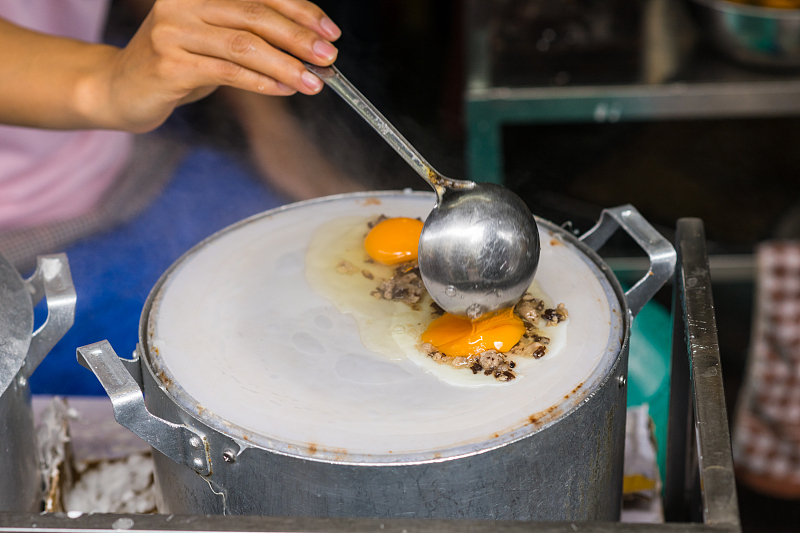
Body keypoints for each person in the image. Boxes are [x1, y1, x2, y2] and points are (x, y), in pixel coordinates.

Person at [0, 0, 359, 394]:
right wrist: (108, 80)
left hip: (126, 165)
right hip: (15, 257)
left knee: (327, 312)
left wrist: (270, 127)